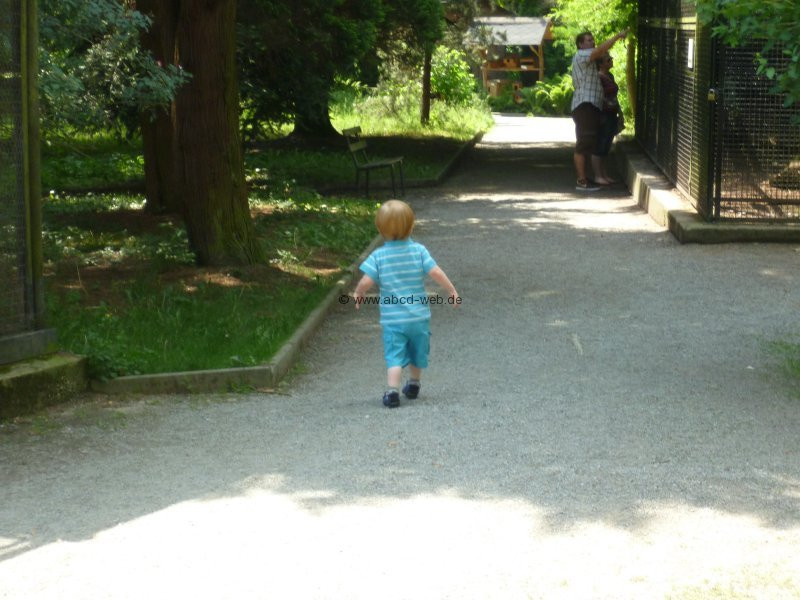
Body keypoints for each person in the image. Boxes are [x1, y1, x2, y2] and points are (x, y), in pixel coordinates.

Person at [353, 200, 459, 408]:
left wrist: (358, 293)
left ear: (380, 229)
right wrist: (452, 291)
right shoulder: (419, 251)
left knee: (394, 354)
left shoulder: (379, 256)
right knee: (417, 350)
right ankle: (414, 384)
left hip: (394, 320)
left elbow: (366, 281)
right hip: (419, 317)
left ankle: (392, 391)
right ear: (412, 226)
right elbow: (435, 272)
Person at [570, 28, 628, 191]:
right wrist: (617, 35)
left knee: (589, 142)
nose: (592, 42)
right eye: (588, 40)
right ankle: (582, 181)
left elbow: (601, 52)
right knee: (584, 142)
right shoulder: (582, 55)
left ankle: (586, 178)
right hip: (585, 105)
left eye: (592, 39)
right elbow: (601, 50)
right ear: (580, 44)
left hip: (591, 105)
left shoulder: (589, 60)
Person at [594, 52, 623, 184]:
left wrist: (620, 112)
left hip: (612, 112)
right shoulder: (598, 77)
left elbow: (614, 96)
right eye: (608, 60)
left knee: (607, 144)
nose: (611, 61)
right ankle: (597, 175)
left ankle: (603, 174)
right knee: (600, 143)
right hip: (603, 113)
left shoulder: (609, 76)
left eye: (610, 58)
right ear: (600, 63)